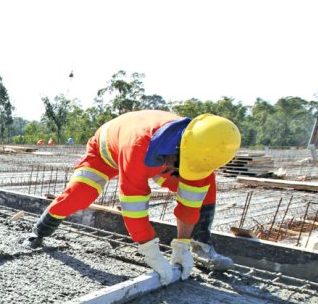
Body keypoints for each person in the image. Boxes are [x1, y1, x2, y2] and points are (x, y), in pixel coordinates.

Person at [26, 110, 241, 281]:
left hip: (158, 157)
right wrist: (151, 252)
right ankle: (39, 231)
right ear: (177, 148)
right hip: (105, 154)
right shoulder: (137, 147)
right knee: (80, 195)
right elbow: (134, 207)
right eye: (180, 165)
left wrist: (182, 244)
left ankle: (200, 245)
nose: (184, 172)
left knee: (206, 185)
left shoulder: (200, 152)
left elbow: (191, 202)